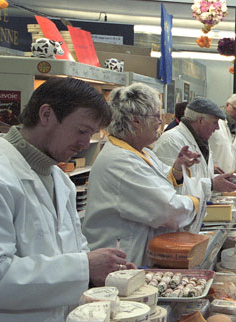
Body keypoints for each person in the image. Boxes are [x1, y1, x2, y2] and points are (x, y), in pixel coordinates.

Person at [0, 77, 132, 321]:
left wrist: (99, 271)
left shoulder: (59, 179)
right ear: (46, 115)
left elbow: (70, 250)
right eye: (82, 131)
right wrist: (84, 267)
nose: (85, 143)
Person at [82, 84, 204, 266]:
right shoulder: (121, 162)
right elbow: (168, 209)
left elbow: (162, 178)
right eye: (156, 116)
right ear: (135, 121)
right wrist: (198, 199)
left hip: (136, 255)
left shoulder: (140, 152)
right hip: (122, 262)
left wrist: (177, 168)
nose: (160, 122)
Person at [154, 97, 236, 215]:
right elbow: (169, 187)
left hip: (195, 215)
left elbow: (198, 175)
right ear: (200, 120)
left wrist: (220, 180)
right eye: (215, 123)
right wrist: (211, 184)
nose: (217, 128)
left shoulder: (201, 140)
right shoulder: (170, 141)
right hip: (178, 222)